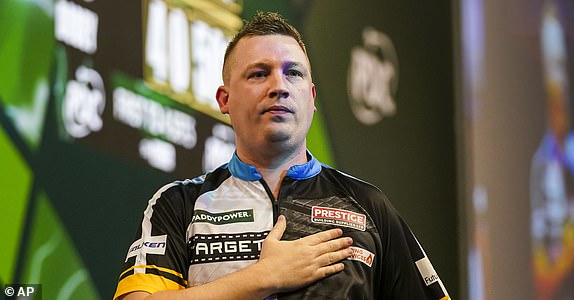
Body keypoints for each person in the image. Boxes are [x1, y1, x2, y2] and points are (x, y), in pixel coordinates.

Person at [114, 11, 450, 300]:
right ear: (224, 99)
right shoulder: (179, 203)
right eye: (259, 73)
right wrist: (263, 278)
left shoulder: (368, 205)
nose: (280, 86)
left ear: (312, 98)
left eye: (294, 73)